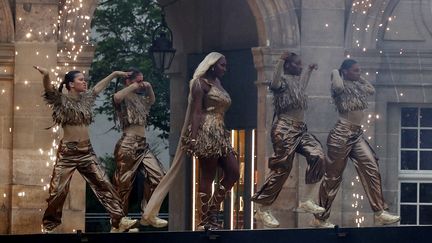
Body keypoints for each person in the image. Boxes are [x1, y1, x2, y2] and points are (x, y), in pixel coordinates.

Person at [141, 52, 239, 230]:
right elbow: (196, 112)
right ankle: (205, 220)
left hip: (221, 132)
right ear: (212, 65)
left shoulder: (218, 83)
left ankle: (211, 211)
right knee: (208, 176)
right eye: (223, 65)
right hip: (206, 132)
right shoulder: (200, 84)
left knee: (233, 172)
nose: (225, 68)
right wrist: (193, 137)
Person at [34, 66, 137, 233]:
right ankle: (49, 226)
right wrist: (46, 75)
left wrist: (114, 74)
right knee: (57, 191)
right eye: (81, 79)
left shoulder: (86, 99)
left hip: (86, 151)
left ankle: (119, 220)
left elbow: (98, 88)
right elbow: (48, 89)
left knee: (104, 183)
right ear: (71, 84)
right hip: (68, 152)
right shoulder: (60, 100)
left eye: (84, 79)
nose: (84, 82)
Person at [312, 59, 400, 227]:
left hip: (357, 134)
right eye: (355, 71)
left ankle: (380, 211)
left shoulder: (358, 87)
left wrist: (359, 77)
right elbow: (337, 87)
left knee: (372, 167)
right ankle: (320, 218)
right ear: (345, 71)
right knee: (332, 177)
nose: (359, 74)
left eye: (360, 70)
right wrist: (335, 71)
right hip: (341, 134)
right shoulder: (339, 86)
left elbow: (371, 90)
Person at [251, 52, 326, 228]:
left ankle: (307, 200)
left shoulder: (296, 84)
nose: (300, 66)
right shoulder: (281, 82)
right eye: (298, 64)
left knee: (318, 156)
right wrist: (280, 61)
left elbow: (302, 86)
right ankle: (262, 208)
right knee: (282, 169)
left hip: (300, 129)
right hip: (284, 129)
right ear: (289, 65)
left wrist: (308, 70)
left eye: (301, 64)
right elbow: (275, 81)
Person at [112, 68, 167, 228]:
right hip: (128, 143)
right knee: (123, 183)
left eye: (142, 81)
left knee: (159, 176)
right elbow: (117, 97)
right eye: (138, 81)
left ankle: (149, 213)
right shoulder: (123, 95)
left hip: (143, 144)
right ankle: (118, 221)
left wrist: (148, 87)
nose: (141, 85)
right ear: (128, 82)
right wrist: (133, 86)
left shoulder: (140, 98)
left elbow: (152, 101)